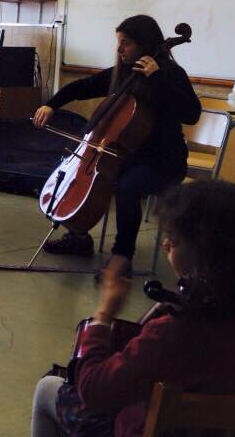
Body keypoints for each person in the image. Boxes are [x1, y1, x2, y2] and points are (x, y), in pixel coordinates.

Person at [31, 180, 235, 437]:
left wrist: (103, 315)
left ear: (206, 255)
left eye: (173, 240)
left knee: (49, 389)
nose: (165, 244)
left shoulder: (177, 332)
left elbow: (94, 389)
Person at [33, 14, 201, 276]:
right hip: (128, 156)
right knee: (76, 172)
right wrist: (51, 104)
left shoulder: (170, 74)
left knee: (127, 186)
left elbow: (192, 113)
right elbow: (82, 87)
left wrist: (157, 78)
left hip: (163, 161)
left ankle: (122, 257)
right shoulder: (125, 73)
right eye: (119, 42)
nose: (119, 48)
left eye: (126, 43)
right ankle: (79, 236)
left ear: (144, 44)